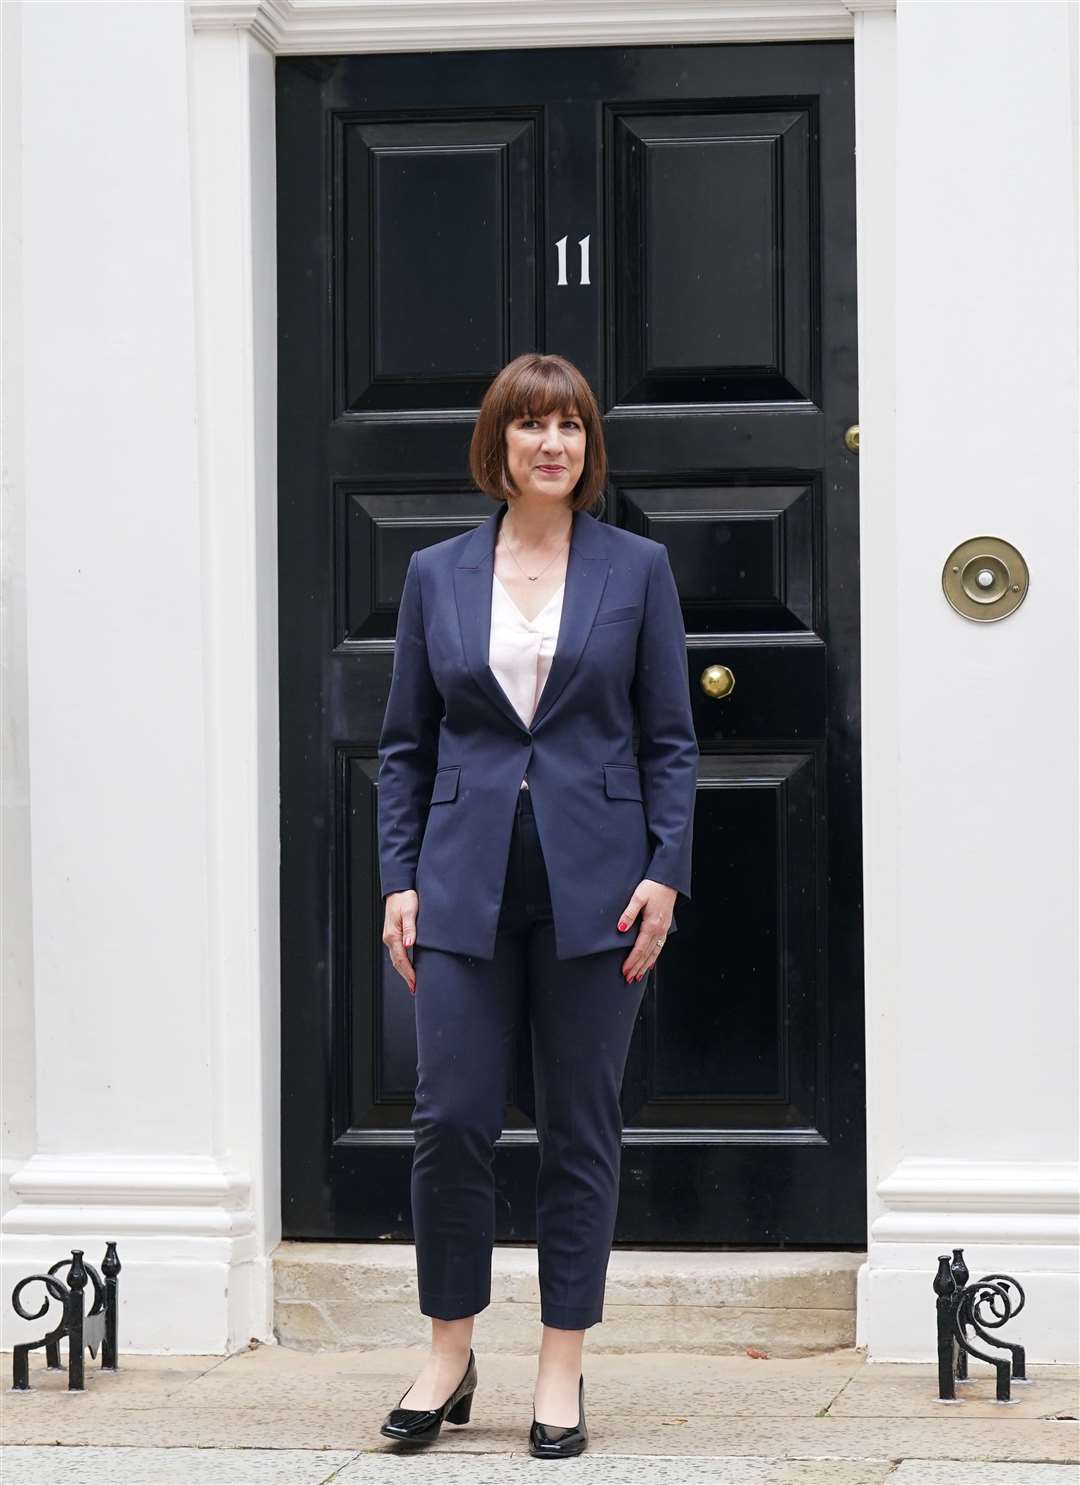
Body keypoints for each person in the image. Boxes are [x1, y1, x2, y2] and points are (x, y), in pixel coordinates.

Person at [376, 352, 697, 1457]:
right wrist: (400, 877)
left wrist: (665, 869)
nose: (551, 443)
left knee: (579, 1124)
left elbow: (668, 738)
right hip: (462, 881)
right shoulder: (436, 574)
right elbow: (406, 746)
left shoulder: (637, 568)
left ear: (587, 448)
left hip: (599, 887)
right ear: (498, 445)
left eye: (568, 426)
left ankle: (561, 1366)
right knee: (450, 1117)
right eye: (530, 426)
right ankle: (448, 1349)